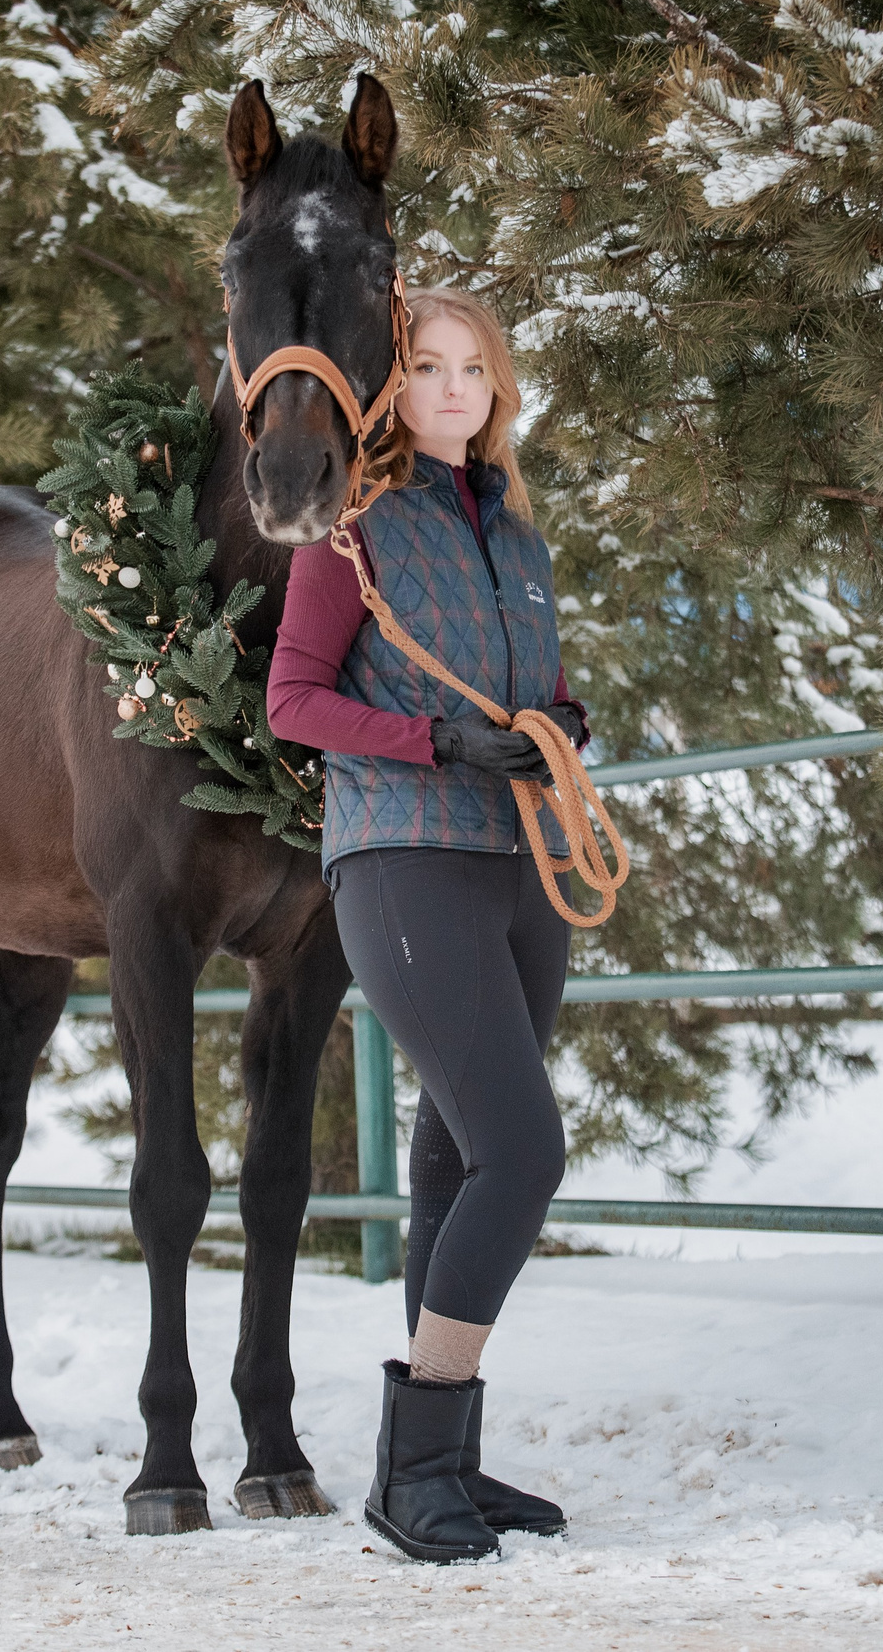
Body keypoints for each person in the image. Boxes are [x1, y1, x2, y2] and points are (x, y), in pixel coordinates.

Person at [267, 286, 587, 1564]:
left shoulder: (516, 532)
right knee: (523, 1150)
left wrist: (564, 714)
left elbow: (537, 682)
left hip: (522, 858)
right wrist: (429, 739)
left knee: (461, 1153)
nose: (456, 389)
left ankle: (441, 1465)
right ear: (387, 389)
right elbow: (294, 699)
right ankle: (417, 1464)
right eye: (427, 368)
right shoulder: (351, 533)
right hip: (402, 854)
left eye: (475, 368)